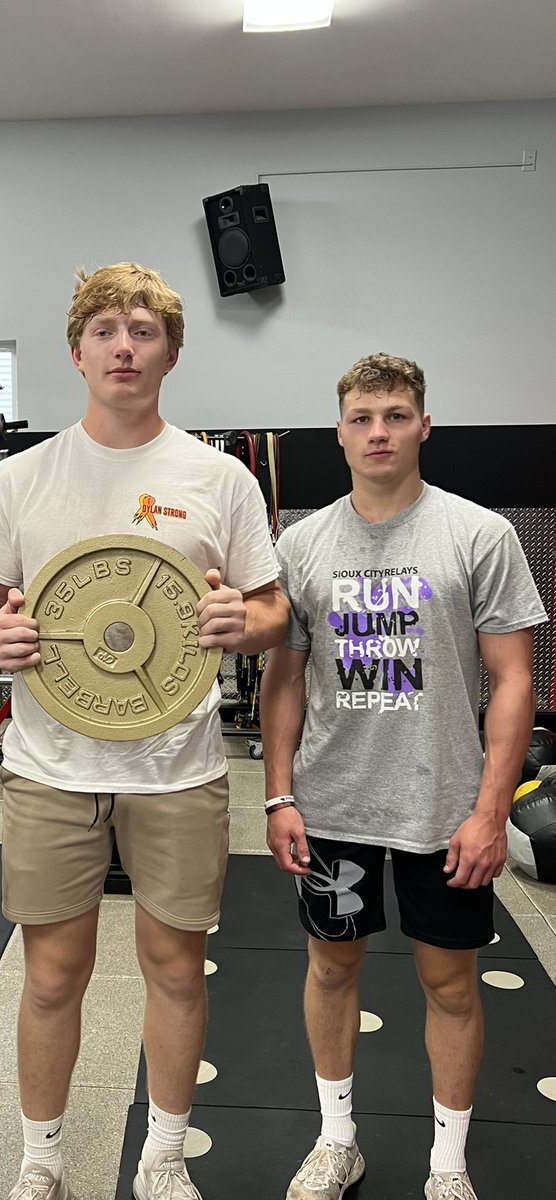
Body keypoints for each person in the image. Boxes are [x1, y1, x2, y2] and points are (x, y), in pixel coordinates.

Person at [0, 262, 289, 1200]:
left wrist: (244, 625)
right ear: (76, 352)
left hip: (178, 766)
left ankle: (164, 1156)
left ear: (171, 353)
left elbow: (272, 611)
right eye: (105, 329)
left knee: (176, 969)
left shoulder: (218, 478)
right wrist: (3, 633)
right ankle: (40, 1160)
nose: (123, 345)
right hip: (49, 766)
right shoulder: (20, 479)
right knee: (53, 974)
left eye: (143, 330)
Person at [259, 353, 547, 1200]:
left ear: (423, 424)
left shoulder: (478, 533)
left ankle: (447, 1165)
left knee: (449, 983)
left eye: (393, 415)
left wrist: (491, 812)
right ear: (339, 431)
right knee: (331, 968)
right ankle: (336, 1140)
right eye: (360, 417)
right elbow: (282, 680)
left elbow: (515, 680)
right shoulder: (302, 543)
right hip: (333, 809)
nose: (377, 431)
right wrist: (278, 794)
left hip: (443, 810)